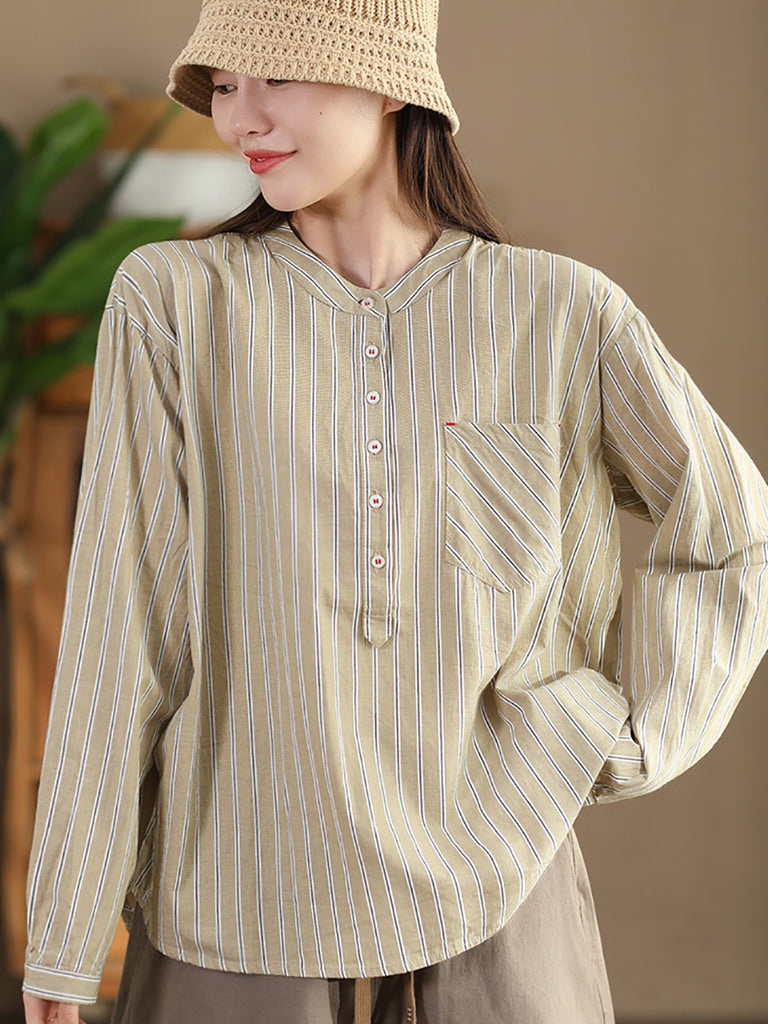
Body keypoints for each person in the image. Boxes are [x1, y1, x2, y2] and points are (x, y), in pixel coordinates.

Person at [21, 0, 768, 1022]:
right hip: (237, 890)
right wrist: (64, 942)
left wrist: (619, 734)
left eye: (273, 76)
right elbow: (122, 637)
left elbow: (736, 535)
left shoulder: (561, 313)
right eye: (224, 86)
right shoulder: (175, 303)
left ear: (385, 79)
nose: (239, 118)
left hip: (504, 880)